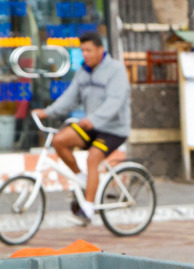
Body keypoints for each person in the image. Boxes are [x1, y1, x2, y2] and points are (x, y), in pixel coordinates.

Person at [33, 30, 130, 225]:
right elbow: (69, 98)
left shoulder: (116, 70)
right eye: (82, 50)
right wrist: (47, 112)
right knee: (60, 140)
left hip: (113, 128)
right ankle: (82, 178)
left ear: (100, 50)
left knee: (93, 157)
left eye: (89, 50)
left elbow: (116, 101)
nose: (85, 54)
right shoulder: (82, 71)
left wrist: (94, 118)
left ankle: (87, 210)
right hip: (91, 125)